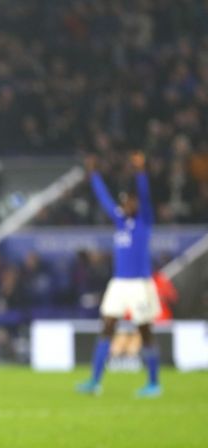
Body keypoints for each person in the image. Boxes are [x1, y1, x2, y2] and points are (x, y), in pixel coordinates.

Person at [78, 152, 162, 397]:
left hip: (139, 284)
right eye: (124, 201)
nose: (126, 205)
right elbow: (104, 199)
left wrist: (140, 171)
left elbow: (145, 196)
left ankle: (154, 383)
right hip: (119, 283)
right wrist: (93, 175)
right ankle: (94, 381)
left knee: (145, 332)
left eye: (130, 201)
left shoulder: (144, 220)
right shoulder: (120, 222)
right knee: (107, 327)